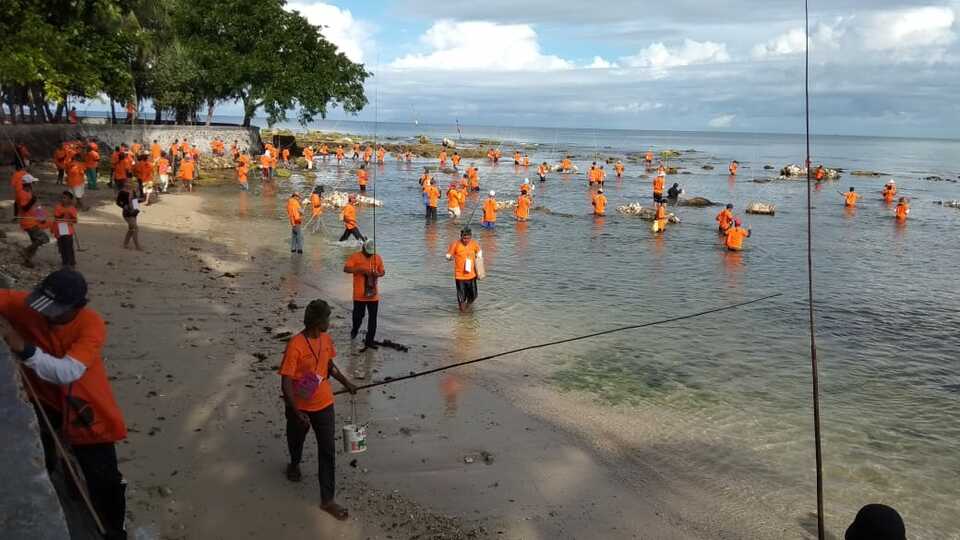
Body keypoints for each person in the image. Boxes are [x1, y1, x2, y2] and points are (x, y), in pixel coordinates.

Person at [0, 269, 129, 540]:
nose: (46, 314)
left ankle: (115, 532)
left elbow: (66, 372)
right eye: (42, 306)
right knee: (43, 456)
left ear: (76, 307)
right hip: (43, 401)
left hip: (87, 411)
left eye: (55, 310)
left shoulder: (90, 324)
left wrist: (21, 346)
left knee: (105, 482)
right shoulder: (26, 306)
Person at [279, 299, 357, 521]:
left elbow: (329, 366)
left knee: (328, 451)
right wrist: (296, 411)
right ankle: (294, 464)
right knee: (295, 441)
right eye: (327, 318)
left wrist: (347, 383)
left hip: (324, 405)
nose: (329, 322)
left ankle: (327, 500)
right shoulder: (296, 345)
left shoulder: (326, 339)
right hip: (299, 407)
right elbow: (285, 383)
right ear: (317, 321)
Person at [343, 240, 385, 349]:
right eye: (368, 252)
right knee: (358, 316)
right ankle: (355, 329)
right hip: (359, 295)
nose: (370, 254)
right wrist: (360, 269)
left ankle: (369, 341)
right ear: (363, 248)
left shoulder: (378, 257)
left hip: (373, 295)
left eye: (371, 253)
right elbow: (346, 269)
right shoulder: (355, 257)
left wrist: (378, 274)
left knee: (373, 318)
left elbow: (383, 271)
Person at [445, 227, 483, 311]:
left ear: (471, 237)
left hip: (472, 275)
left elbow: (479, 251)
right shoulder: (455, 244)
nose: (466, 240)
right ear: (461, 236)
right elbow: (448, 255)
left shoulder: (474, 243)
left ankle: (467, 307)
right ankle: (463, 316)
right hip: (460, 276)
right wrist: (449, 257)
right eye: (464, 238)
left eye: (468, 238)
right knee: (462, 298)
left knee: (474, 296)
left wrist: (479, 258)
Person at [16, 175, 49, 267]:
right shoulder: (22, 193)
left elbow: (36, 206)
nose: (34, 184)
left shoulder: (28, 192)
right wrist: (32, 200)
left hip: (32, 220)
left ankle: (27, 260)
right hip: (29, 222)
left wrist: (41, 217)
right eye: (33, 183)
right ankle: (25, 251)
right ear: (29, 184)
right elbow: (25, 208)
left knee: (35, 242)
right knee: (44, 238)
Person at [52, 192, 78, 268]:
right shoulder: (58, 207)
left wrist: (71, 217)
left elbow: (74, 220)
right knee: (62, 246)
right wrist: (63, 214)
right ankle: (65, 261)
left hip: (68, 228)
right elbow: (57, 217)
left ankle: (71, 261)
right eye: (62, 197)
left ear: (70, 200)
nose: (62, 199)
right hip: (60, 228)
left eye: (65, 198)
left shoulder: (72, 208)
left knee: (68, 245)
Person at [116, 182, 141, 250]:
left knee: (131, 229)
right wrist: (124, 206)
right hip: (127, 213)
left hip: (134, 212)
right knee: (135, 228)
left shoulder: (133, 191)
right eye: (128, 183)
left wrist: (136, 210)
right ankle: (137, 246)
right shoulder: (122, 192)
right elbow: (118, 202)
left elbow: (135, 202)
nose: (129, 185)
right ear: (125, 184)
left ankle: (125, 243)